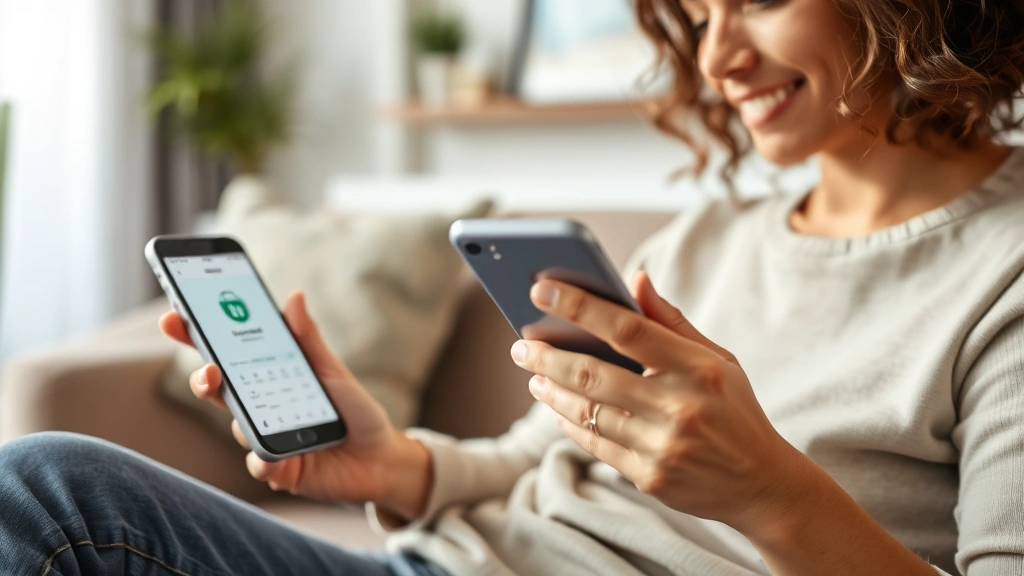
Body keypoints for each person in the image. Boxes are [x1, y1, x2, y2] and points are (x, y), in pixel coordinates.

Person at [2, 0, 1023, 574]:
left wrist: (771, 494)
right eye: (698, 12)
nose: (716, 56)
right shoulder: (712, 237)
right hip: (446, 565)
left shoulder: (1002, 271)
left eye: (755, 0)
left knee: (52, 497)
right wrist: (389, 464)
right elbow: (539, 464)